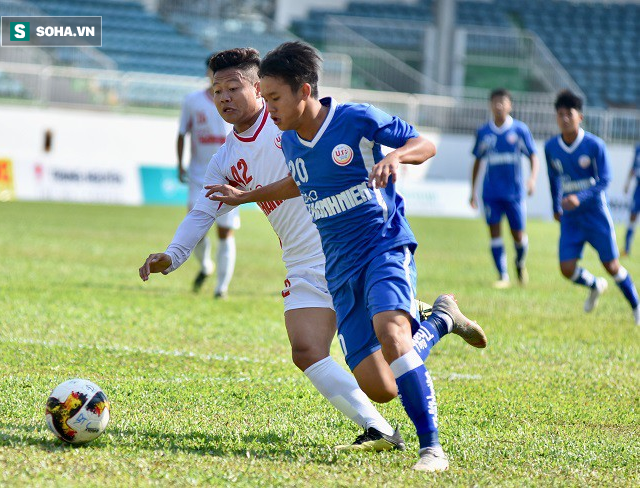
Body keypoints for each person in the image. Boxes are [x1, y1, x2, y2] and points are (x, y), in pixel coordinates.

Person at [141, 47, 486, 456]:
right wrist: (173, 254)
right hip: (306, 263)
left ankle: (430, 340)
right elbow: (204, 209)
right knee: (318, 356)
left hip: (353, 246)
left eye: (233, 88)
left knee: (393, 343)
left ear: (259, 88)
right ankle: (379, 426)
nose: (223, 98)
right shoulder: (226, 158)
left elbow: (334, 142)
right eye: (216, 91)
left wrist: (390, 159)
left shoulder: (291, 121)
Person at [545, 90, 640, 324]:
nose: (564, 118)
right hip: (571, 218)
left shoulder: (594, 145)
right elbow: (553, 178)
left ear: (580, 117)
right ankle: (595, 285)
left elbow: (605, 180)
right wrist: (556, 205)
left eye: (569, 113)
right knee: (566, 269)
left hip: (596, 214)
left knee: (612, 265)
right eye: (560, 114)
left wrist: (579, 197)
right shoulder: (551, 147)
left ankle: (637, 306)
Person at [177, 54, 240, 298]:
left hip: (229, 178)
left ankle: (221, 289)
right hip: (198, 176)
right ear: (208, 74)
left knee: (225, 232)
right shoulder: (192, 101)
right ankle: (205, 265)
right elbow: (182, 133)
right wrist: (179, 164)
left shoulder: (237, 102)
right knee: (196, 229)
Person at [469, 88, 539, 288]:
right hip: (491, 193)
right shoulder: (484, 132)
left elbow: (533, 155)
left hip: (515, 193)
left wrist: (532, 179)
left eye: (503, 102)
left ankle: (519, 261)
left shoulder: (519, 130)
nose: (499, 106)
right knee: (494, 232)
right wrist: (473, 191)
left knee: (518, 235)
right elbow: (477, 160)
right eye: (495, 102)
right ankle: (503, 276)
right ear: (491, 105)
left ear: (510, 105)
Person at [622, 143, 640, 256]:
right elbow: (633, 167)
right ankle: (627, 248)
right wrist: (627, 183)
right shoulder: (638, 148)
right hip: (638, 188)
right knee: (632, 216)